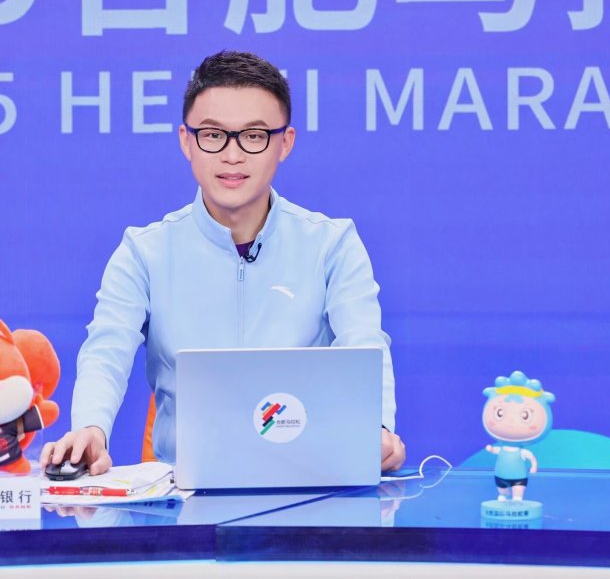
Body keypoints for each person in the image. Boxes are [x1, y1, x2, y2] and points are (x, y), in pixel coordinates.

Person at [41, 50, 405, 474]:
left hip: (311, 481)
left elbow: (364, 344)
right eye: (213, 135)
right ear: (186, 141)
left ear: (285, 143)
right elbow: (107, 351)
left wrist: (377, 430)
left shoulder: (332, 244)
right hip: (184, 493)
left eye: (254, 136)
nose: (232, 155)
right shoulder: (145, 251)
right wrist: (91, 428)